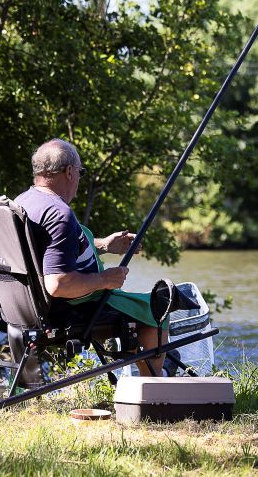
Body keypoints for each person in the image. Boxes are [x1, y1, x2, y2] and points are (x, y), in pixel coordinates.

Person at [14, 138, 167, 376]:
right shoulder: (59, 214)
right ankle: (153, 390)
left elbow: (49, 250)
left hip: (23, 308)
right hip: (69, 309)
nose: (79, 178)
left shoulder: (23, 202)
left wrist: (104, 245)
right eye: (80, 172)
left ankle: (140, 370)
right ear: (69, 172)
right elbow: (58, 283)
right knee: (158, 309)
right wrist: (105, 280)